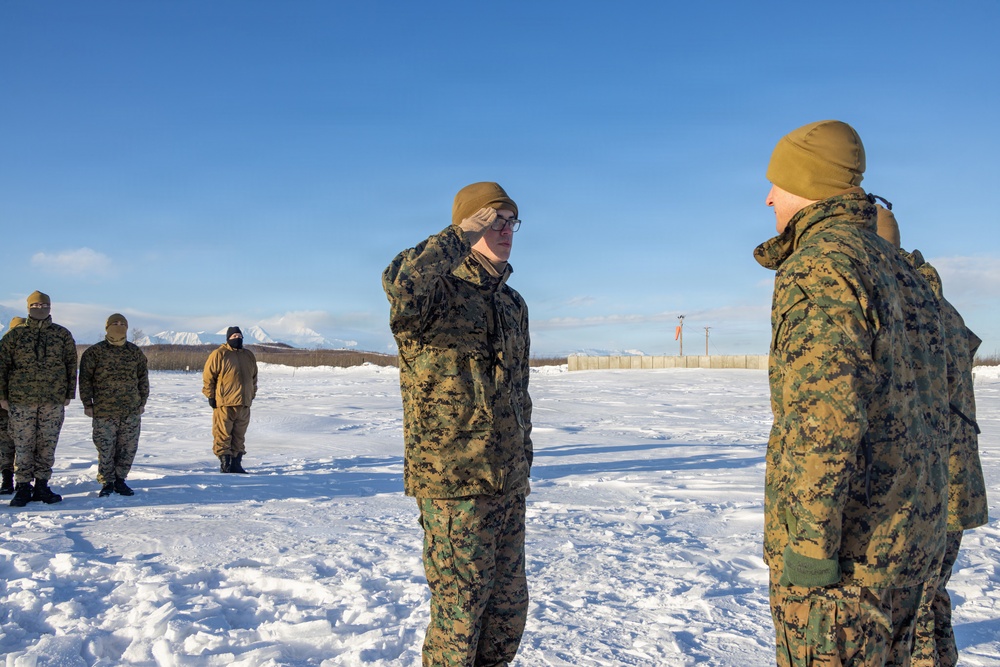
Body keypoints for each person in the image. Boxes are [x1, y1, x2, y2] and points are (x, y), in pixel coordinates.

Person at [753, 121, 949, 666]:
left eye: (778, 182)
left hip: (848, 558)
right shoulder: (902, 271)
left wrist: (811, 551)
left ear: (808, 182)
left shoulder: (822, 266)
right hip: (909, 541)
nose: (768, 196)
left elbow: (825, 420)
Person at [382, 181, 533, 667]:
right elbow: (398, 280)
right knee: (460, 616)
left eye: (512, 221)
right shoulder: (434, 295)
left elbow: (518, 392)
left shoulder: (512, 304)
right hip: (454, 484)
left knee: (507, 612)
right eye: (494, 220)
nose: (505, 230)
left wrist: (523, 465)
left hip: (506, 481)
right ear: (469, 226)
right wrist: (456, 237)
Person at [876, 205, 988, 667]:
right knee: (930, 601)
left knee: (914, 614)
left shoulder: (904, 304)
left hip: (926, 491)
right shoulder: (939, 304)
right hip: (954, 486)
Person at [0, 291, 78, 507]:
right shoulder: (14, 336)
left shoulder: (61, 334)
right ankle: (23, 486)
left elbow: (71, 365)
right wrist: (2, 397)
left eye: (43, 304)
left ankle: (42, 485)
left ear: (50, 307)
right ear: (28, 308)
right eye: (34, 305)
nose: (39, 308)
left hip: (52, 400)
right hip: (20, 401)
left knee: (47, 444)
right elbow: (2, 366)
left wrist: (68, 393)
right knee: (23, 444)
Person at [79, 313, 150, 497]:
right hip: (104, 411)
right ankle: (107, 481)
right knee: (105, 448)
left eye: (122, 324)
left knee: (128, 448)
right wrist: (87, 403)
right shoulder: (95, 352)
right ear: (107, 326)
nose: (118, 326)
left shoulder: (134, 352)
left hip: (130, 410)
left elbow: (143, 379)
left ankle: (120, 480)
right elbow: (85, 380)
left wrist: (142, 402)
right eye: (114, 323)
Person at [202, 326, 257, 474]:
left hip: (244, 403)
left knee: (239, 436)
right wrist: (211, 396)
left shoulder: (248, 355)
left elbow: (254, 377)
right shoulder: (219, 354)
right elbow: (208, 377)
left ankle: (236, 464)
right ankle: (225, 464)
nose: (237, 338)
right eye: (234, 336)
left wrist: (252, 394)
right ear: (228, 338)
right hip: (224, 403)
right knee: (223, 434)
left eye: (239, 336)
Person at [0, 316, 26, 494]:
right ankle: (11, 479)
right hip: (7, 406)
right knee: (12, 444)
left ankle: (13, 479)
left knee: (11, 445)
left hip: (22, 405)